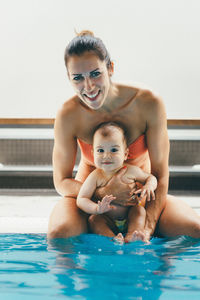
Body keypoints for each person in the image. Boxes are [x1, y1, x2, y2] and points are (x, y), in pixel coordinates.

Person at [48, 30, 200, 241]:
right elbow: (61, 182)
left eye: (95, 74)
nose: (89, 87)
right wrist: (103, 194)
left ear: (110, 68)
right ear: (69, 78)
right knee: (58, 236)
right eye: (78, 78)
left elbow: (161, 175)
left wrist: (146, 226)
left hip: (140, 200)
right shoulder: (68, 114)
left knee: (195, 230)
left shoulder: (148, 102)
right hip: (90, 200)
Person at [77, 122, 158, 243]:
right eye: (100, 150)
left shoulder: (131, 171)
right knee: (94, 220)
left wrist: (149, 186)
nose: (106, 156)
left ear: (125, 154)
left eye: (114, 150)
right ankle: (112, 238)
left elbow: (151, 178)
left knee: (139, 211)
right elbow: (81, 199)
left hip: (129, 215)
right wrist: (97, 208)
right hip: (107, 217)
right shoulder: (95, 176)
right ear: (93, 154)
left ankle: (132, 234)